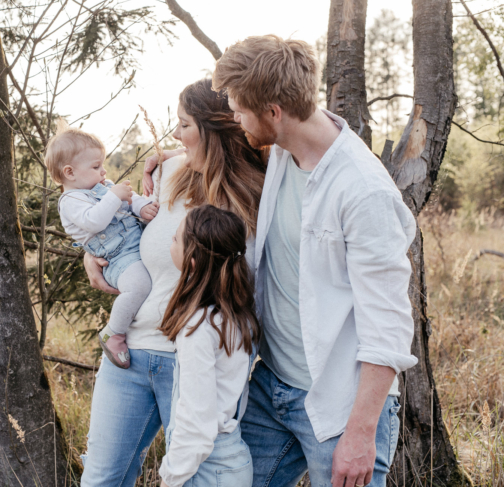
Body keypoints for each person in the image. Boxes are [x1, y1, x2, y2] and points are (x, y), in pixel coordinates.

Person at [212, 34, 418, 487]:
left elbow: (388, 325)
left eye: (240, 109)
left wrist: (362, 433)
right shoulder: (286, 149)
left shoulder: (363, 191)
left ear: (274, 112)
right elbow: (219, 147)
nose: (235, 118)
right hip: (272, 386)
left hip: (340, 403)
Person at [79, 79, 265, 487]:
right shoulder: (171, 171)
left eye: (184, 125)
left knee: (191, 473)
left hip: (194, 364)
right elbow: (121, 230)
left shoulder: (254, 197)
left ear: (213, 129)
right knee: (100, 479)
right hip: (131, 351)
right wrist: (92, 256)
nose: (176, 135)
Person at [158, 204, 260, 487]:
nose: (171, 242)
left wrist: (171, 478)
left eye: (176, 239)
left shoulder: (199, 328)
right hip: (234, 463)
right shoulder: (241, 317)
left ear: (192, 261)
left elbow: (197, 419)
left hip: (206, 469)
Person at [45, 121, 159, 368]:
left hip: (134, 244)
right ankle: (113, 333)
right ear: (70, 172)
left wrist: (142, 206)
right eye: (96, 166)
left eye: (103, 165)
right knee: (139, 285)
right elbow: (94, 221)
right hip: (116, 259)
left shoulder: (102, 187)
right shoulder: (70, 201)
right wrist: (113, 196)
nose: (104, 172)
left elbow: (131, 199)